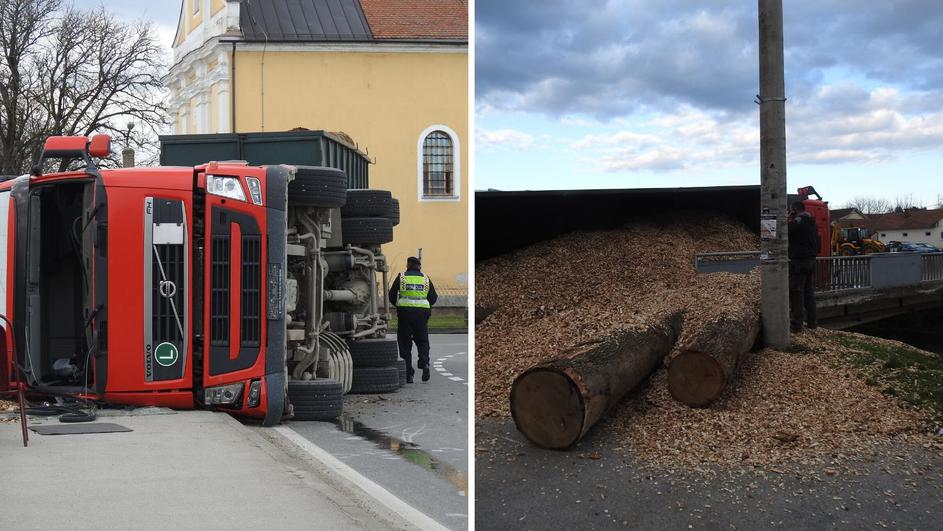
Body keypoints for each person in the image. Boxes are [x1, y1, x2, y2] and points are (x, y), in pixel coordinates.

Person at [389, 257, 438, 382]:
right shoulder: (426, 279)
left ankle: (408, 373)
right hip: (422, 314)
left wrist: (399, 305)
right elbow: (433, 298)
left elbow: (392, 295)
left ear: (408, 265)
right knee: (422, 341)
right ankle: (425, 363)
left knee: (405, 343)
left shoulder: (402, 277)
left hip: (405, 313)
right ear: (419, 266)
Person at [788, 201, 819, 332]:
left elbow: (785, 232)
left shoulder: (797, 222)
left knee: (796, 292)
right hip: (811, 260)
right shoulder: (812, 222)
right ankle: (812, 323)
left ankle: (797, 325)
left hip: (799, 262)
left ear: (794, 210)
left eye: (790, 210)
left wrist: (789, 219)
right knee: (808, 292)